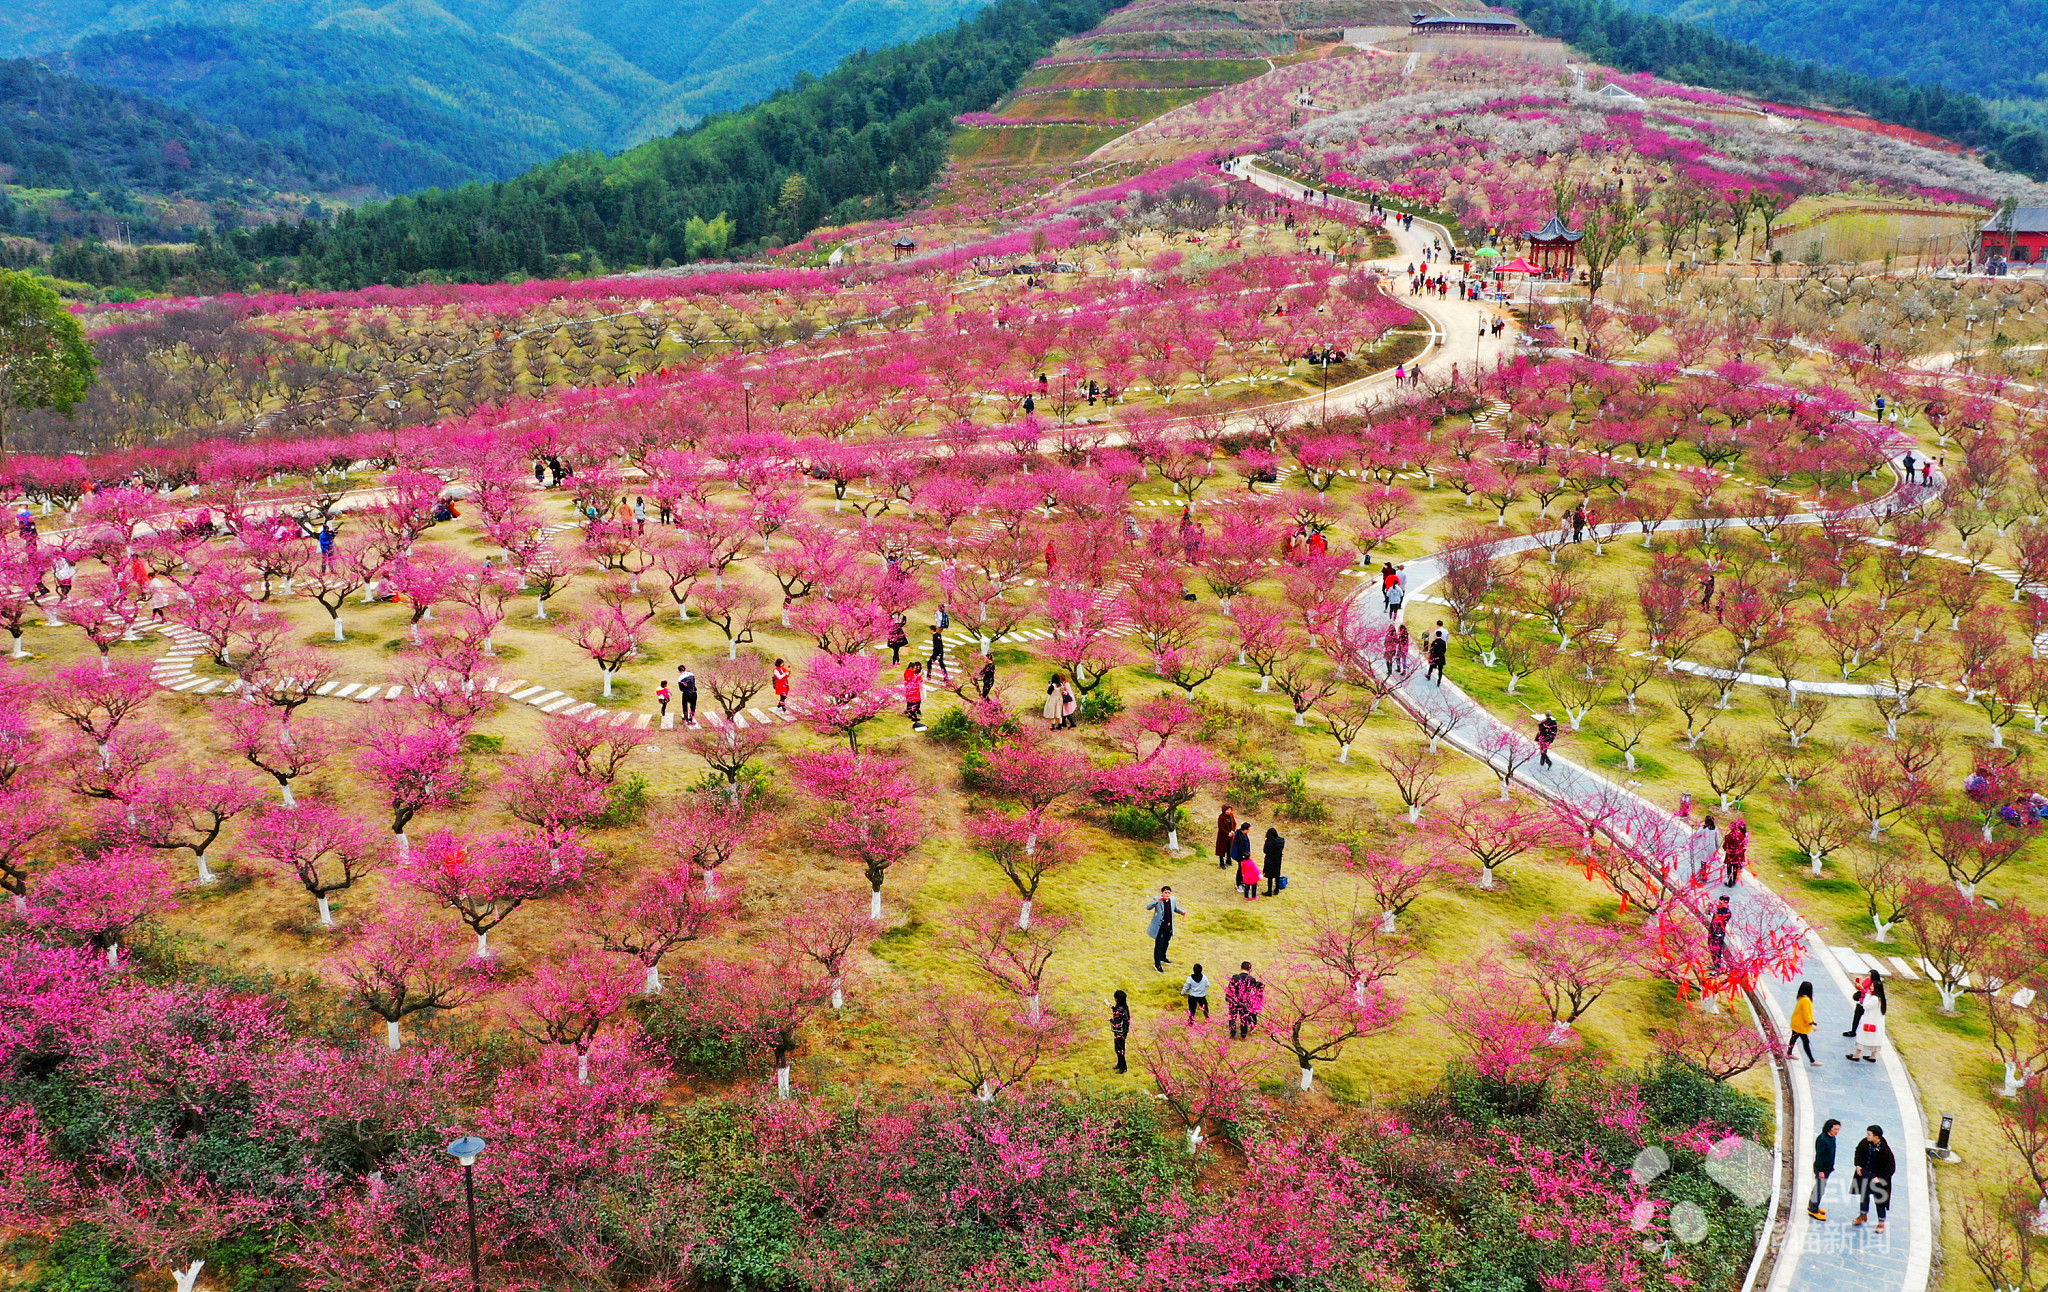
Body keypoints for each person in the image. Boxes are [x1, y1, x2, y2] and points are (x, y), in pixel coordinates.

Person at [1851, 1125, 1896, 1233]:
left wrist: (1880, 1178)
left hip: (1877, 1178)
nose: (1867, 1136)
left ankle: (1881, 1222)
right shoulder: (1865, 1143)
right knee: (1864, 1196)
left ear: (1877, 1136)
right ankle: (1863, 1215)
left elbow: (1891, 1168)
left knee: (1880, 1201)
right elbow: (1858, 1151)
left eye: (1869, 1134)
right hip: (1865, 1174)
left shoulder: (1885, 1150)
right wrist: (1858, 1165)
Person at [1146, 887, 1185, 972]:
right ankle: (1157, 964)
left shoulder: (1173, 900)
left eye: (1168, 893)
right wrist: (1157, 902)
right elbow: (1148, 907)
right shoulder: (1157, 899)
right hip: (1160, 927)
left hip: (1169, 926)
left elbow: (1175, 908)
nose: (1167, 894)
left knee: (1166, 942)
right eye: (1165, 892)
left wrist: (1182, 912)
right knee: (1159, 945)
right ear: (1162, 893)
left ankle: (1162, 957)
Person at [1809, 1118, 1840, 1221]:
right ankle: (1813, 1210)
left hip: (1828, 1168)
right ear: (1829, 1128)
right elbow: (1819, 1156)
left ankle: (1813, 1205)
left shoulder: (1832, 1138)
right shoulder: (1823, 1139)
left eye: (1838, 1129)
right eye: (1835, 1129)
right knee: (1819, 1189)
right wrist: (1820, 1170)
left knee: (1819, 1187)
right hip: (1822, 1169)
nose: (1836, 1131)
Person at [1843, 968, 1886, 1039]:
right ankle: (1853, 1031)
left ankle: (1867, 1033)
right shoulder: (1867, 980)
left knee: (1867, 1019)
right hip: (1861, 1001)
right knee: (1856, 1017)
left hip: (1868, 1003)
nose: (1868, 977)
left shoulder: (1875, 984)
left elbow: (1869, 992)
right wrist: (1858, 985)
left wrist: (1862, 988)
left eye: (1870, 976)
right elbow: (1861, 988)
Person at [1225, 962, 1263, 1039]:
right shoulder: (1252, 980)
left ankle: (1232, 1034)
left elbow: (1229, 989)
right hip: (1245, 1002)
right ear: (1250, 969)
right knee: (1244, 1018)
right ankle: (1243, 1035)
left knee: (1232, 1017)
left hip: (1234, 1001)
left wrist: (1228, 998)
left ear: (1241, 968)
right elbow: (1255, 992)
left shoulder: (1235, 977)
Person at [1848, 991, 1887, 1064]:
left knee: (1862, 1037)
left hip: (1869, 1021)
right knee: (1876, 1039)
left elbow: (1865, 1006)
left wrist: (1868, 995)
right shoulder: (1882, 998)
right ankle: (1873, 1056)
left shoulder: (1874, 999)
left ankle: (1856, 1055)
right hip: (1877, 1022)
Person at [1787, 981, 1819, 1067]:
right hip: (1801, 1025)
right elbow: (1806, 1014)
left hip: (1797, 1023)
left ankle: (1789, 1053)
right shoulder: (1806, 1000)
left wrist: (1812, 1021)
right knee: (1805, 1041)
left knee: (1794, 1038)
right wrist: (1811, 1023)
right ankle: (1812, 1060)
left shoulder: (1801, 998)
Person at [1110, 990, 1131, 1073]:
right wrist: (1113, 1008)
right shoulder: (1124, 1006)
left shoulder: (1120, 1009)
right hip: (1123, 1030)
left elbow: (1117, 1021)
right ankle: (1120, 1063)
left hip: (1120, 1031)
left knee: (1120, 1048)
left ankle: (1123, 1066)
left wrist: (1111, 1020)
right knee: (1118, 1047)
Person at [1708, 896, 1731, 970]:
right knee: (1711, 948)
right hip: (1712, 931)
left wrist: (1716, 913)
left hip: (1719, 933)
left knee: (1717, 950)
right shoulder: (1717, 909)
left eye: (1722, 902)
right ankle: (1714, 965)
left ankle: (1718, 967)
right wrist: (1709, 908)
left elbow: (1720, 920)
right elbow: (1707, 913)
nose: (1720, 903)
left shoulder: (1727, 912)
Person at [1262, 826, 1285, 896]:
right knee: (1277, 875)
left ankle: (1269, 891)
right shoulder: (1281, 841)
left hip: (1270, 860)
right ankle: (1276, 890)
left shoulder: (1269, 843)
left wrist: (1266, 841)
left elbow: (1265, 851)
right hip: (1278, 860)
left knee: (1270, 876)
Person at [1230, 821, 1253, 889]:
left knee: (1243, 870)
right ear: (1245, 829)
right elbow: (1240, 849)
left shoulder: (1243, 835)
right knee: (1240, 870)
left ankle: (1242, 881)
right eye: (1249, 829)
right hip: (1241, 857)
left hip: (1244, 856)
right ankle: (1238, 884)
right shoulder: (1240, 837)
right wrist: (1244, 857)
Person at [1215, 804, 1238, 870]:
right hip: (1223, 836)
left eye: (1230, 810)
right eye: (1227, 810)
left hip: (1230, 835)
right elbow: (1221, 827)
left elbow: (1234, 824)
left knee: (1229, 848)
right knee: (1222, 850)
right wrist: (1227, 833)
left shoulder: (1231, 815)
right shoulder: (1221, 817)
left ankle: (1228, 860)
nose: (1228, 811)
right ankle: (1222, 863)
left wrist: (1233, 831)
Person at [904, 662, 924, 729]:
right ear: (911, 667)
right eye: (914, 668)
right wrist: (919, 676)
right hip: (912, 690)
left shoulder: (910, 672)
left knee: (911, 703)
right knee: (913, 703)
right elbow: (912, 679)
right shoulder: (908, 672)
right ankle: (913, 715)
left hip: (914, 690)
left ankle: (911, 714)